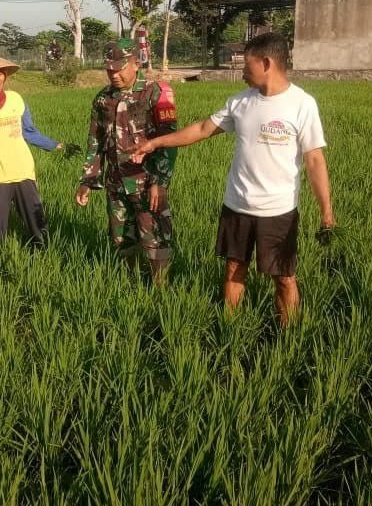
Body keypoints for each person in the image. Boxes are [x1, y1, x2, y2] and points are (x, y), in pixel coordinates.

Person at [132, 32, 335, 324]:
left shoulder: (302, 104)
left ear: (266, 63)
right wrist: (155, 143)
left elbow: (315, 159)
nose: (241, 71)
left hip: (278, 211)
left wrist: (326, 210)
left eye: (246, 63)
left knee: (284, 278)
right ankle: (229, 327)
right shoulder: (241, 102)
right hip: (237, 205)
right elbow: (202, 129)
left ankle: (289, 334)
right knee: (233, 268)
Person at [75, 38, 177, 282]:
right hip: (116, 183)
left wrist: (160, 181)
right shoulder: (103, 99)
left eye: (119, 68)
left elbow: (169, 141)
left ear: (135, 64)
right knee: (121, 238)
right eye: (109, 69)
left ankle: (160, 289)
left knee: (155, 239)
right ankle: (130, 282)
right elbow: (95, 141)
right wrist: (88, 180)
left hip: (147, 183)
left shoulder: (156, 92)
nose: (113, 74)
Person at [0, 52, 76, 249]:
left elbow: (29, 132)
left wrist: (55, 145)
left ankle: (43, 263)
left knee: (39, 229)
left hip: (24, 174)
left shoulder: (16, 100)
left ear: (5, 75)